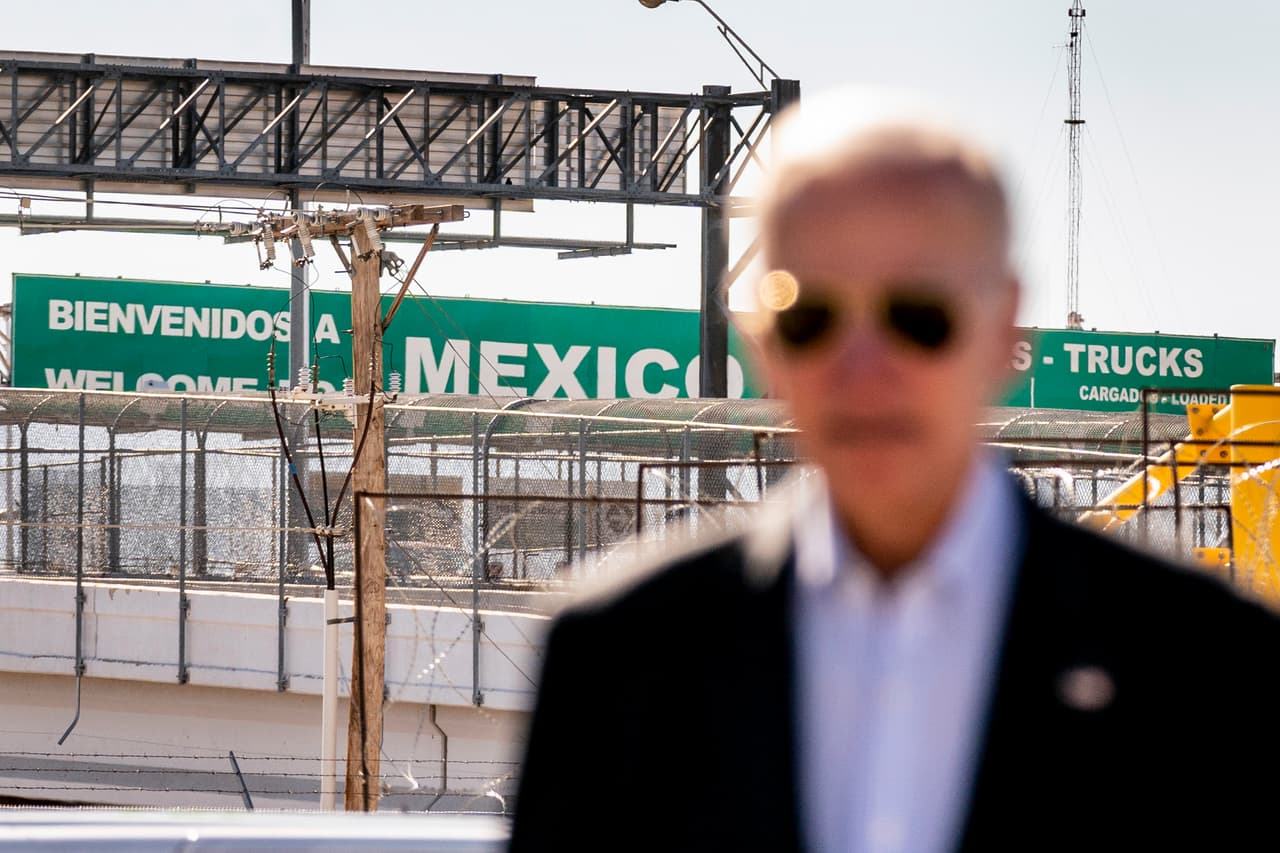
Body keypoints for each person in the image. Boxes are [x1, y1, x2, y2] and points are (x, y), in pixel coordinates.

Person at [507, 89, 1280, 852]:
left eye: (918, 314)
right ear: (762, 340)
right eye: (811, 316)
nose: (863, 367)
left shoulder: (1207, 668)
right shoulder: (619, 657)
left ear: (1006, 325)